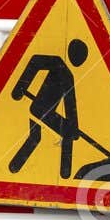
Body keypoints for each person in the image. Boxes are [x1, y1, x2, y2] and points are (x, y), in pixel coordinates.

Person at [9, 39, 89, 179]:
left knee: (37, 137)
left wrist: (74, 126)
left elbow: (70, 105)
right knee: (60, 135)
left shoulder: (68, 76)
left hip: (45, 112)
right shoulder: (57, 63)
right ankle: (65, 173)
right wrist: (19, 89)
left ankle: (15, 167)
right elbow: (35, 62)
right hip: (40, 109)